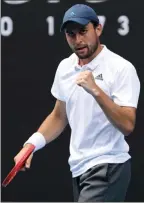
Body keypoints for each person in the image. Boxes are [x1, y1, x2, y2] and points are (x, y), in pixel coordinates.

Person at [14, 4, 140, 202]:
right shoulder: (65, 67)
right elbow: (59, 116)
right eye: (71, 34)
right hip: (79, 169)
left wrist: (96, 90)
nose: (78, 40)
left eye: (83, 31)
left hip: (108, 167)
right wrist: (31, 145)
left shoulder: (121, 68)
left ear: (98, 29)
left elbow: (127, 125)